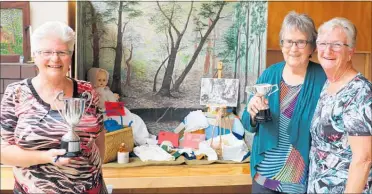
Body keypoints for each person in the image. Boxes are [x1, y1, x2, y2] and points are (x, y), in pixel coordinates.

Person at [0, 21, 107, 193]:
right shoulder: (16, 93)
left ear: (70, 56)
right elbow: (3, 152)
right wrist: (46, 157)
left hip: (90, 188)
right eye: (46, 52)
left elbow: (100, 137)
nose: (55, 58)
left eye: (62, 52)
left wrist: (93, 171)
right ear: (35, 55)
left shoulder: (87, 91)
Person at [241, 11, 327, 193]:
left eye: (300, 42)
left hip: (302, 181)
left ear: (312, 47)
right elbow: (248, 124)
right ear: (282, 45)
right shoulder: (270, 74)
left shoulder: (323, 79)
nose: (293, 48)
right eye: (288, 41)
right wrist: (252, 113)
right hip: (264, 178)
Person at [307, 17, 372, 194]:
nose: (327, 50)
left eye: (336, 45)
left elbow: (363, 159)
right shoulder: (328, 84)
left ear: (350, 51)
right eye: (323, 43)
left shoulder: (360, 92)